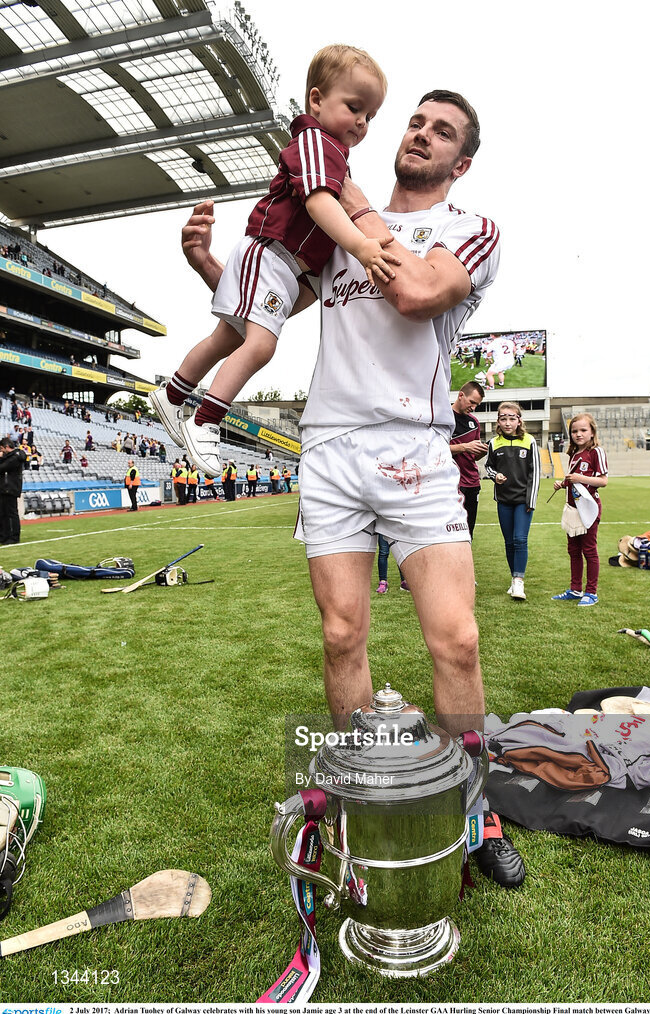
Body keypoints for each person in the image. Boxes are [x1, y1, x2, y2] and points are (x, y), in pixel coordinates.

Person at [180, 89, 526, 888]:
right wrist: (211, 268)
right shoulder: (334, 229)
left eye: (441, 132)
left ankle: (476, 812)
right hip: (331, 448)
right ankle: (356, 799)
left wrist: (347, 196)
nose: (420, 135)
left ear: (461, 162)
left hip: (416, 450)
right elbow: (275, 304)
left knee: (458, 640)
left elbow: (414, 293)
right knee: (341, 637)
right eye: (415, 121)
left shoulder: (469, 231)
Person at [149, 44, 398, 478]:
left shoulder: (332, 152)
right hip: (270, 252)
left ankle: (172, 396)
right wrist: (361, 245)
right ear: (316, 101)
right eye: (355, 107)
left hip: (285, 267)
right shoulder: (317, 142)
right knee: (259, 344)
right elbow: (320, 202)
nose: (361, 122)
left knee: (229, 337)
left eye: (370, 116)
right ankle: (205, 421)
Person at [551, 413, 608, 607]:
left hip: (588, 509)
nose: (578, 434)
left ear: (592, 432)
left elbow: (603, 481)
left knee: (589, 551)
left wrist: (578, 478)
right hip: (572, 509)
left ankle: (591, 592)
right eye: (574, 431)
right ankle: (576, 589)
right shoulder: (574, 454)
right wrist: (564, 484)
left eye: (583, 430)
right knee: (573, 550)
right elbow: (575, 482)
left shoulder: (596, 451)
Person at [484, 403, 540, 601]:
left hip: (523, 501)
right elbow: (488, 467)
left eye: (512, 418)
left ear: (519, 420)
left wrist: (531, 500)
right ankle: (513, 578)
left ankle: (519, 581)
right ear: (498, 421)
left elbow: (536, 473)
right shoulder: (494, 443)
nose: (508, 423)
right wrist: (495, 476)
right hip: (504, 500)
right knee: (509, 542)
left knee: (520, 539)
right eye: (503, 419)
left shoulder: (529, 441)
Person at [449, 381, 488, 539]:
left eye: (476, 405)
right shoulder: (444, 418)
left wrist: (481, 452)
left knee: (468, 533)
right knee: (449, 534)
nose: (473, 407)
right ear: (460, 395)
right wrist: (464, 447)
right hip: (450, 484)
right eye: (472, 402)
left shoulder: (474, 422)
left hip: (472, 483)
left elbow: (473, 455)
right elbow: (433, 450)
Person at [0, 437, 27, 544]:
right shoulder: (10, 457)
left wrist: (1, 458)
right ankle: (4, 536)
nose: (1, 451)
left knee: (11, 513)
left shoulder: (15, 457)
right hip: (3, 488)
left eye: (2, 448)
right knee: (2, 513)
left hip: (10, 489)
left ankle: (14, 537)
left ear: (7, 447)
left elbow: (2, 467)